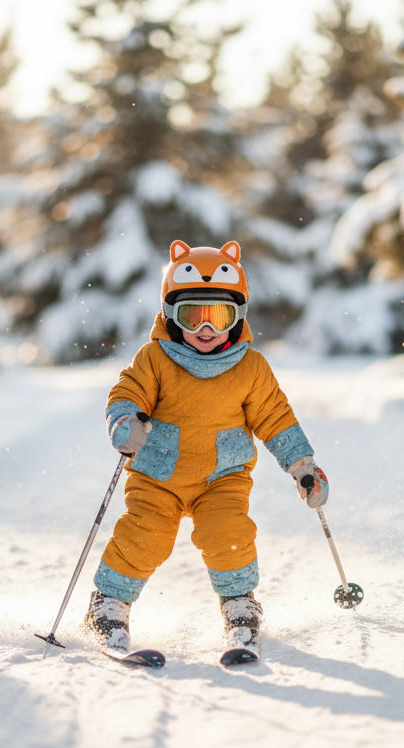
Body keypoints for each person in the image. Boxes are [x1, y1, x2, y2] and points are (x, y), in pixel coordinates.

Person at [84, 239, 328, 657]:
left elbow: (275, 417)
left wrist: (302, 465)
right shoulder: (156, 358)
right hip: (158, 474)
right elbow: (127, 394)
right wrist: (125, 423)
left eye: (219, 315)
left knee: (227, 534)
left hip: (223, 476)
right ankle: (108, 606)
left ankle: (239, 607)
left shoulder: (251, 367)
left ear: (239, 315)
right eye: (192, 316)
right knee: (146, 535)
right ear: (169, 313)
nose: (205, 329)